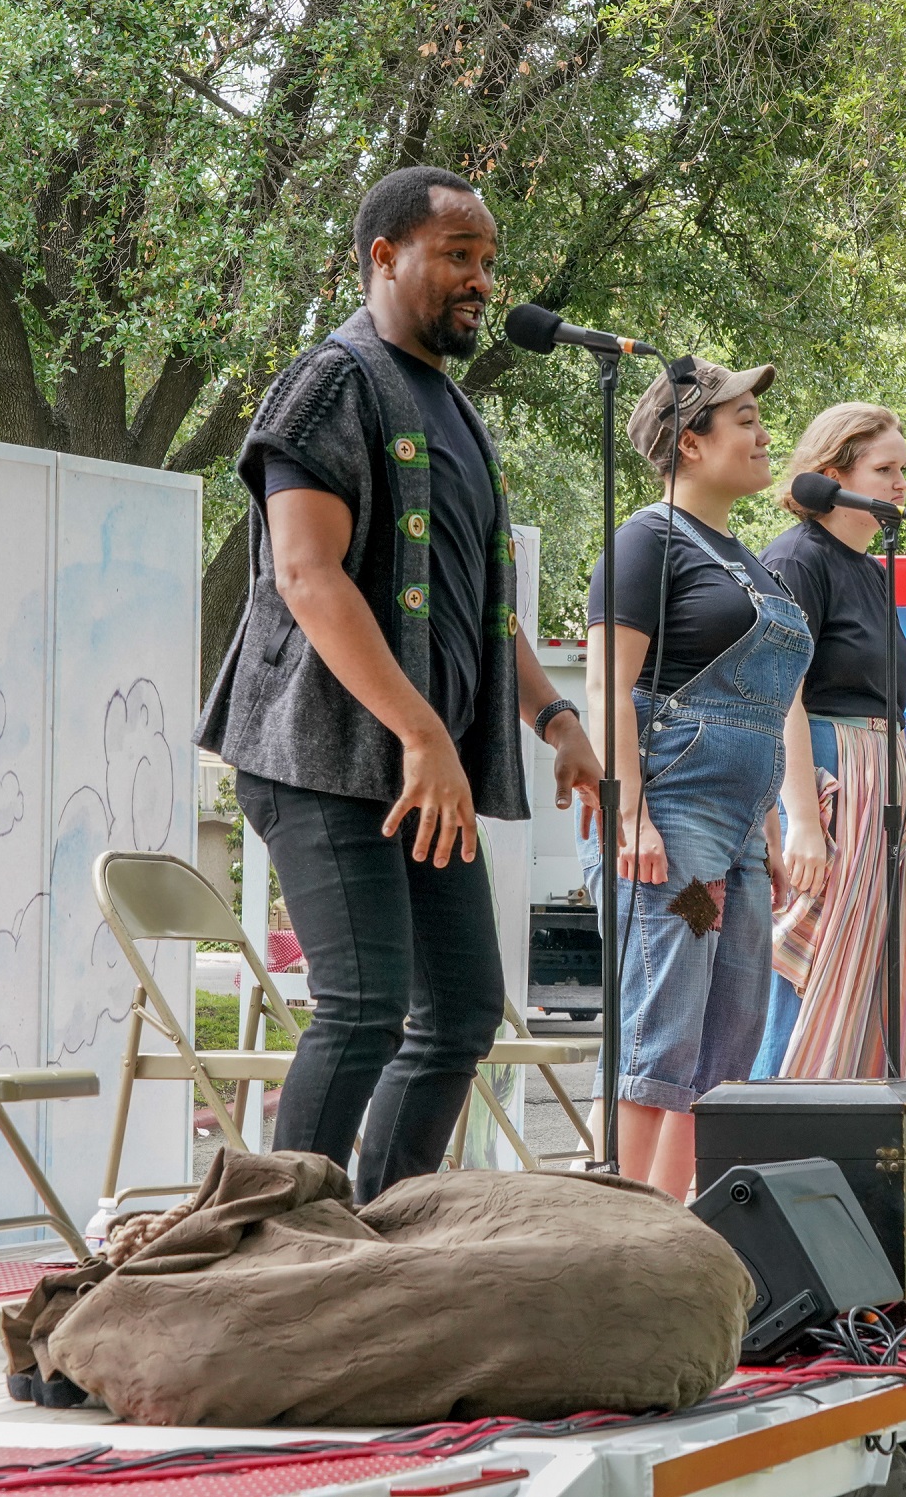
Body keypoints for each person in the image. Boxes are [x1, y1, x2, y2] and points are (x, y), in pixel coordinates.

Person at [195, 165, 603, 1204]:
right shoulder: (337, 378)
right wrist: (424, 732)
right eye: (457, 256)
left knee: (463, 1011)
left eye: (487, 262)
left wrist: (553, 716)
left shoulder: (454, 408)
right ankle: (274, 1246)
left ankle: (379, 1234)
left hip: (420, 770)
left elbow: (478, 605)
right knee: (366, 1002)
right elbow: (305, 572)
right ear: (384, 256)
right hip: (326, 757)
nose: (480, 280)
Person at [585, 359, 811, 1198]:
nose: (763, 436)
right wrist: (632, 814)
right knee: (666, 1019)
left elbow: (767, 705)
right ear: (690, 440)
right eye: (745, 420)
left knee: (732, 1029)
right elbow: (609, 686)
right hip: (677, 833)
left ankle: (685, 1224)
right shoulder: (649, 539)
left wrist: (774, 828)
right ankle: (626, 1226)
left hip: (740, 837)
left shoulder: (744, 558)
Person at [751, 402, 906, 1080]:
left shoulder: (868, 567)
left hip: (877, 775)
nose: (900, 483)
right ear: (831, 474)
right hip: (830, 773)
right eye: (884, 469)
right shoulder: (798, 559)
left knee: (869, 979)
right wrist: (801, 818)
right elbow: (782, 690)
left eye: (901, 468)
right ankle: (770, 1138)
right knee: (809, 966)